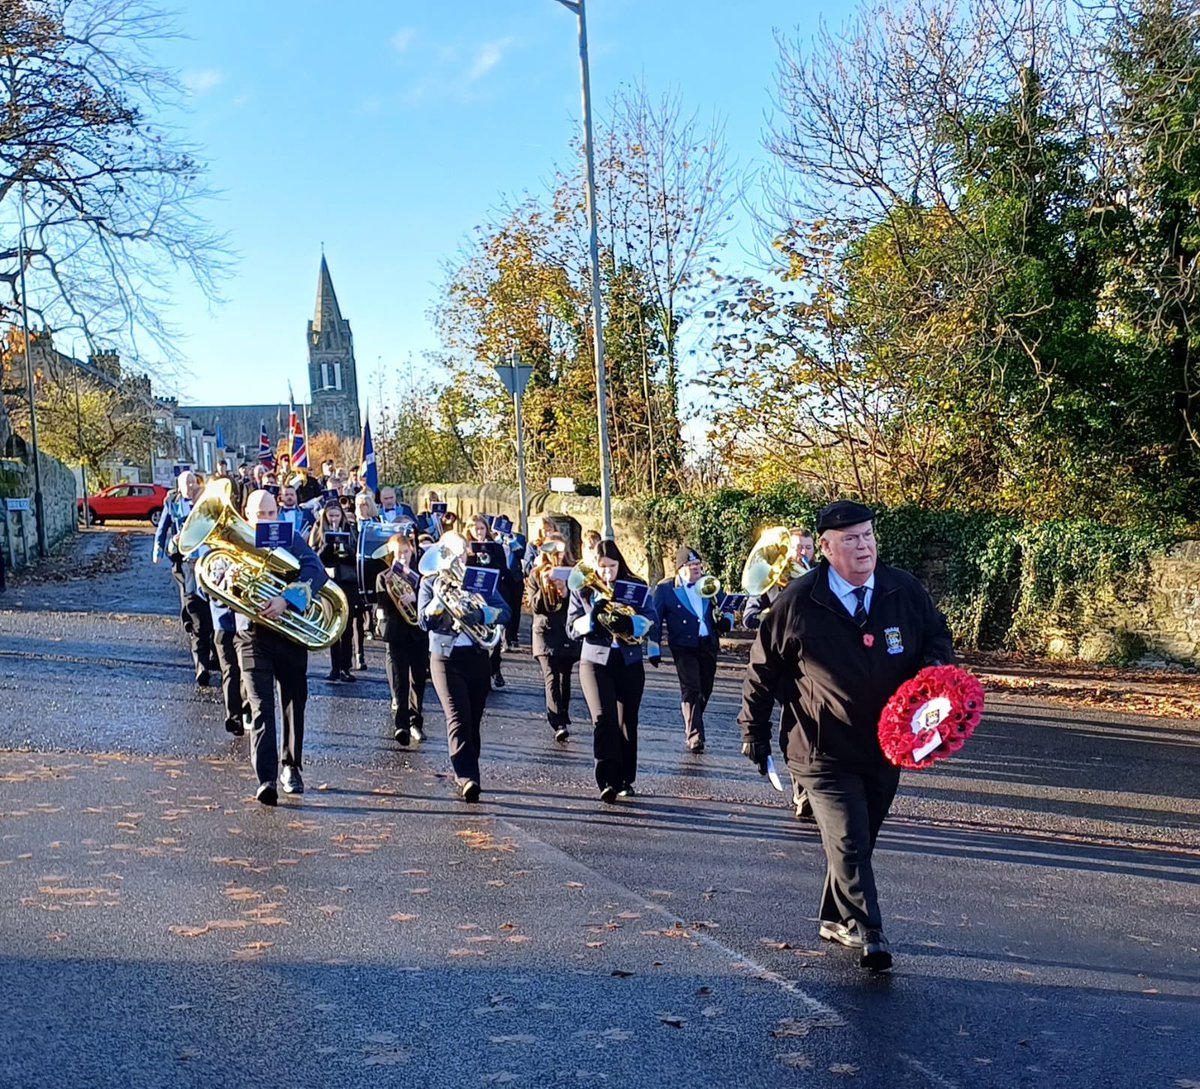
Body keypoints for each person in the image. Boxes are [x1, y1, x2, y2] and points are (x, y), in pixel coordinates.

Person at [739, 500, 953, 973]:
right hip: (820, 749)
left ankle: (835, 916)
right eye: (852, 539)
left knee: (861, 837)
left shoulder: (903, 590)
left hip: (887, 743)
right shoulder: (798, 600)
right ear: (827, 548)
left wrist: (935, 670)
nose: (864, 547)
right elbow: (762, 671)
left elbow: (937, 635)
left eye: (869, 536)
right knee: (850, 838)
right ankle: (869, 929)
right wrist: (752, 732)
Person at [237, 488, 330, 805]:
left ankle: (291, 766)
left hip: (289, 635)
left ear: (278, 513)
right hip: (251, 637)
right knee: (262, 708)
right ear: (247, 514)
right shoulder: (235, 543)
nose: (266, 518)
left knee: (293, 703)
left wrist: (286, 600)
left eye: (271, 512)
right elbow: (214, 581)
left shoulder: (289, 538)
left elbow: (317, 571)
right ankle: (266, 779)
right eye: (259, 513)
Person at [418, 534, 512, 802]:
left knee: (473, 719)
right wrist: (437, 605)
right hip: (445, 658)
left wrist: (482, 614)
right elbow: (423, 622)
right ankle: (468, 777)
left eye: (461, 554)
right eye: (451, 554)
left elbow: (505, 611)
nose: (457, 560)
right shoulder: (430, 582)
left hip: (476, 654)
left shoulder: (479, 579)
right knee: (457, 717)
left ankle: (470, 767)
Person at [567, 540, 658, 803]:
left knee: (627, 721)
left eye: (612, 566)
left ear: (620, 564)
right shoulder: (582, 588)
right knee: (603, 719)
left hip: (628, 660)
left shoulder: (636, 586)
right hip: (595, 661)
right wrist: (590, 620)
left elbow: (651, 620)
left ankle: (625, 779)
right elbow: (571, 628)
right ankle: (606, 780)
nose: (607, 573)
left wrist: (632, 623)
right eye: (602, 567)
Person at [743, 525, 817, 820]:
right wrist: (771, 618)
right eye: (798, 547)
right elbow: (749, 615)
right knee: (795, 729)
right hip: (785, 669)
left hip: (818, 666)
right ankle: (802, 792)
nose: (803, 553)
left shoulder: (822, 578)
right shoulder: (771, 578)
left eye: (808, 548)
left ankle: (814, 788)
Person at [650, 546, 733, 754]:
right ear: (680, 568)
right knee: (691, 688)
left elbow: (727, 606)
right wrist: (654, 648)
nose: (696, 568)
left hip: (707, 644)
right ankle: (695, 735)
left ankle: (693, 718)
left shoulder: (710, 584)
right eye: (691, 565)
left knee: (706, 688)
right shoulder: (666, 589)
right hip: (683, 646)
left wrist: (727, 621)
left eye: (698, 564)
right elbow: (655, 619)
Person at [152, 470, 217, 687]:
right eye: (186, 483)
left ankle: (214, 655)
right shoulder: (173, 503)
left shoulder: (207, 502)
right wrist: (160, 548)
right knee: (192, 603)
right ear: (179, 486)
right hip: (185, 559)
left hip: (208, 560)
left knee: (214, 612)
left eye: (192, 482)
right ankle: (201, 663)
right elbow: (163, 527)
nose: (190, 486)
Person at [375, 532, 429, 745]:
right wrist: (389, 592)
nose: (403, 557)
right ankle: (402, 725)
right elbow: (383, 608)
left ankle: (416, 722)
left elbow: (429, 602)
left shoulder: (421, 577)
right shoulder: (383, 576)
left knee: (418, 679)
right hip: (397, 633)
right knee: (400, 680)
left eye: (406, 552)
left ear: (412, 550)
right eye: (398, 553)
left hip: (417, 633)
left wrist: (415, 596)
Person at [525, 532, 580, 743]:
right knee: (551, 677)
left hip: (566, 629)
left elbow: (581, 603)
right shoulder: (535, 574)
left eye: (560, 548)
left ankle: (563, 713)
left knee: (565, 677)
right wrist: (545, 587)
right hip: (545, 632)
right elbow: (534, 606)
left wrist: (566, 591)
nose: (556, 553)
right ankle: (558, 722)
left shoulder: (573, 571)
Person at [309, 503, 360, 683]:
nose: (334, 519)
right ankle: (334, 668)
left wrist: (346, 549)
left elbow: (358, 557)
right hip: (329, 583)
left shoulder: (351, 530)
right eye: (330, 516)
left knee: (346, 627)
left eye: (337, 516)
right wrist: (327, 546)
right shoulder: (318, 529)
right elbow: (313, 556)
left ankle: (346, 667)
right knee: (332, 625)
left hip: (347, 582)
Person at [466, 515, 513, 689]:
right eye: (475, 529)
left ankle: (496, 669)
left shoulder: (497, 548)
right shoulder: (467, 548)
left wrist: (489, 557)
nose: (479, 532)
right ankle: (481, 670)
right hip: (474, 594)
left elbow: (502, 570)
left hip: (494, 593)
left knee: (496, 632)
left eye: (482, 528)